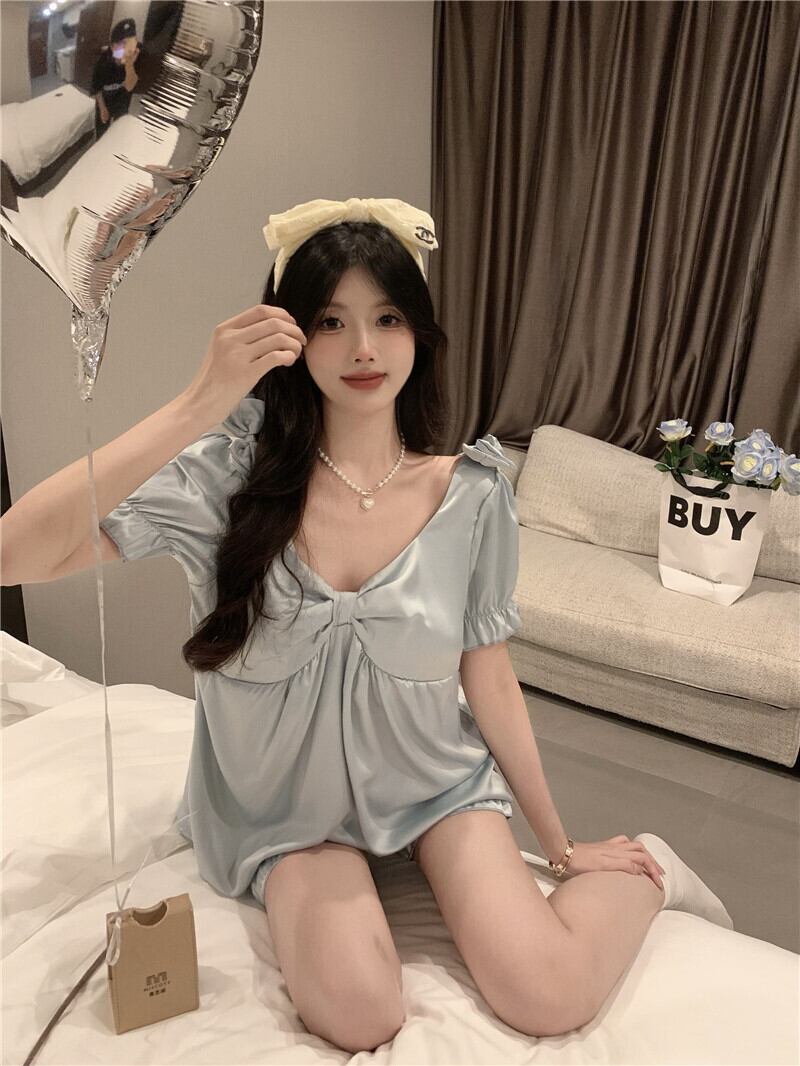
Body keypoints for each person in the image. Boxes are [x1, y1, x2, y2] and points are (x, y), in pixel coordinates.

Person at [0, 197, 733, 1054]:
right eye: (330, 321)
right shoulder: (225, 484)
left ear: (418, 334)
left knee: (548, 991)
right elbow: (15, 553)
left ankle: (652, 867)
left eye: (387, 318)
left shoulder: (469, 496)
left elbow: (488, 677)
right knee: (358, 1012)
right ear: (290, 336)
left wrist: (561, 846)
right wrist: (200, 401)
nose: (362, 348)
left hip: (435, 789)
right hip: (287, 817)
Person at [90, 17, 141, 141]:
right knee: (102, 134)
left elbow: (129, 87)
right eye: (123, 44)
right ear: (113, 47)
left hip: (122, 100)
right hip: (105, 100)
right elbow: (96, 88)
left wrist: (129, 65)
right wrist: (102, 108)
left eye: (131, 42)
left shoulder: (134, 57)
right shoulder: (102, 63)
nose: (128, 49)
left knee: (119, 132)